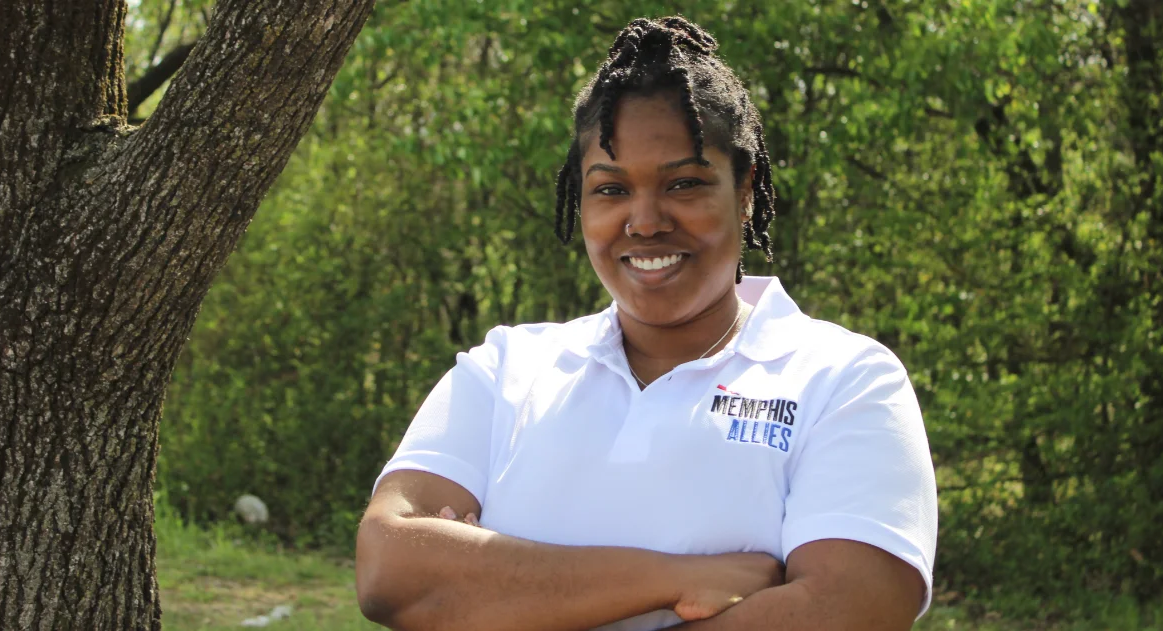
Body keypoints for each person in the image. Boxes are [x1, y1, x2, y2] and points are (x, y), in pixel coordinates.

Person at [355, 16, 937, 631]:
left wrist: (493, 586)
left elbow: (849, 610)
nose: (645, 220)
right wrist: (687, 579)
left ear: (745, 190)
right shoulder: (506, 369)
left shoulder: (845, 380)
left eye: (683, 183)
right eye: (610, 190)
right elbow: (392, 573)